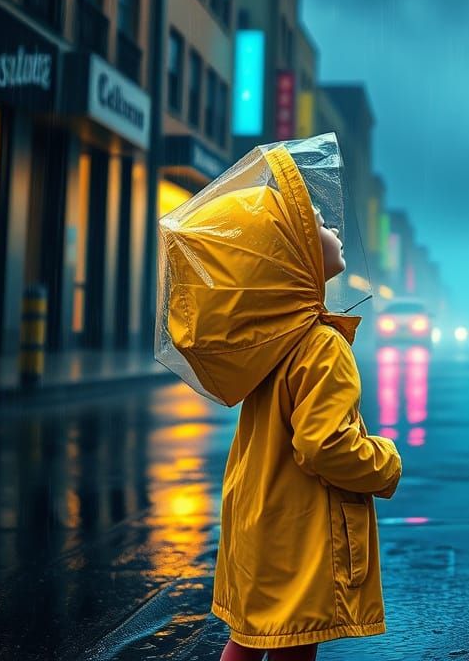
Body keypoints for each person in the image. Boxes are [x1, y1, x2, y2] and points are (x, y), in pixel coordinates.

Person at [160, 142, 402, 661]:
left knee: (252, 642)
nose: (334, 230)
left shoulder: (269, 339)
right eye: (319, 223)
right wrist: (384, 463)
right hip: (300, 532)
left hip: (259, 518)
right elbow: (325, 445)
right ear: (292, 258)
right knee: (289, 646)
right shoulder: (320, 345)